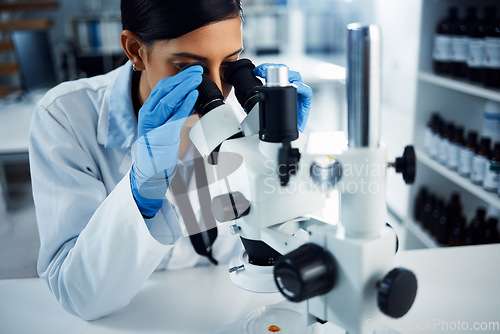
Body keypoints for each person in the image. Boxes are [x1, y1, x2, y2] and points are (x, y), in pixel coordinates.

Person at [29, 0, 312, 321]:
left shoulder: (239, 119)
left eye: (231, 66)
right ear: (135, 49)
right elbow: (78, 294)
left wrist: (282, 158)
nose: (217, 91)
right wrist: (141, 190)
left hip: (226, 305)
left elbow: (271, 243)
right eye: (190, 70)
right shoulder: (65, 115)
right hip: (132, 316)